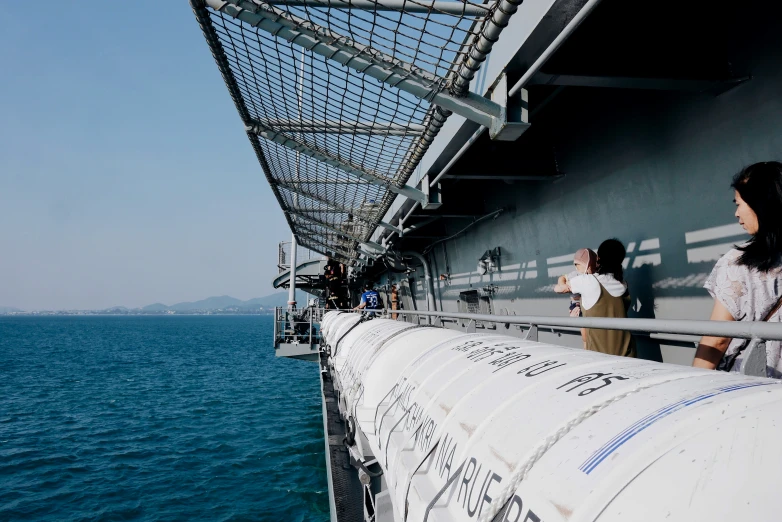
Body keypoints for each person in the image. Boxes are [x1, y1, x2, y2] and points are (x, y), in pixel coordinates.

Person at [693, 162, 782, 377]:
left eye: (739, 203)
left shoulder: (738, 263)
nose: (736, 214)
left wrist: (692, 384)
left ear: (760, 205)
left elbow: (718, 338)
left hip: (755, 385)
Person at [556, 239, 636, 357]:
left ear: (598, 258)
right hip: (628, 354)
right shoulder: (623, 284)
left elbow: (558, 288)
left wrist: (563, 279)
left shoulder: (588, 281)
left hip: (600, 357)